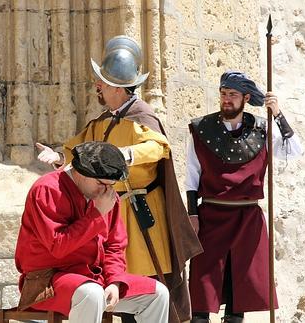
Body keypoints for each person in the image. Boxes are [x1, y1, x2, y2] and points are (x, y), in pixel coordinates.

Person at [36, 35, 202, 322]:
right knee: (116, 287)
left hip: (140, 217)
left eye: (103, 82)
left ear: (119, 89)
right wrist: (61, 158)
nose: (97, 86)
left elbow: (159, 147)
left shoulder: (142, 116)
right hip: (109, 211)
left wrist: (125, 155)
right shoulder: (102, 121)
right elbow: (80, 149)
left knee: (149, 287)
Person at [186, 71, 303, 323]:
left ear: (246, 98)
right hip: (211, 217)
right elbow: (191, 175)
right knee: (202, 287)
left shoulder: (263, 128)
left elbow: (293, 152)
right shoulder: (201, 128)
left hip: (248, 218)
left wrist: (278, 115)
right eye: (223, 94)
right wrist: (192, 214)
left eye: (232, 95)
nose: (226, 99)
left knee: (240, 288)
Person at [15, 141, 169, 322]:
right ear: (81, 173)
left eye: (111, 185)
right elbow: (58, 246)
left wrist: (114, 280)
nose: (107, 190)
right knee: (91, 293)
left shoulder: (106, 198)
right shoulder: (47, 189)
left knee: (158, 294)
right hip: (46, 280)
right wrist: (97, 215)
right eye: (102, 183)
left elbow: (114, 246)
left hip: (94, 277)